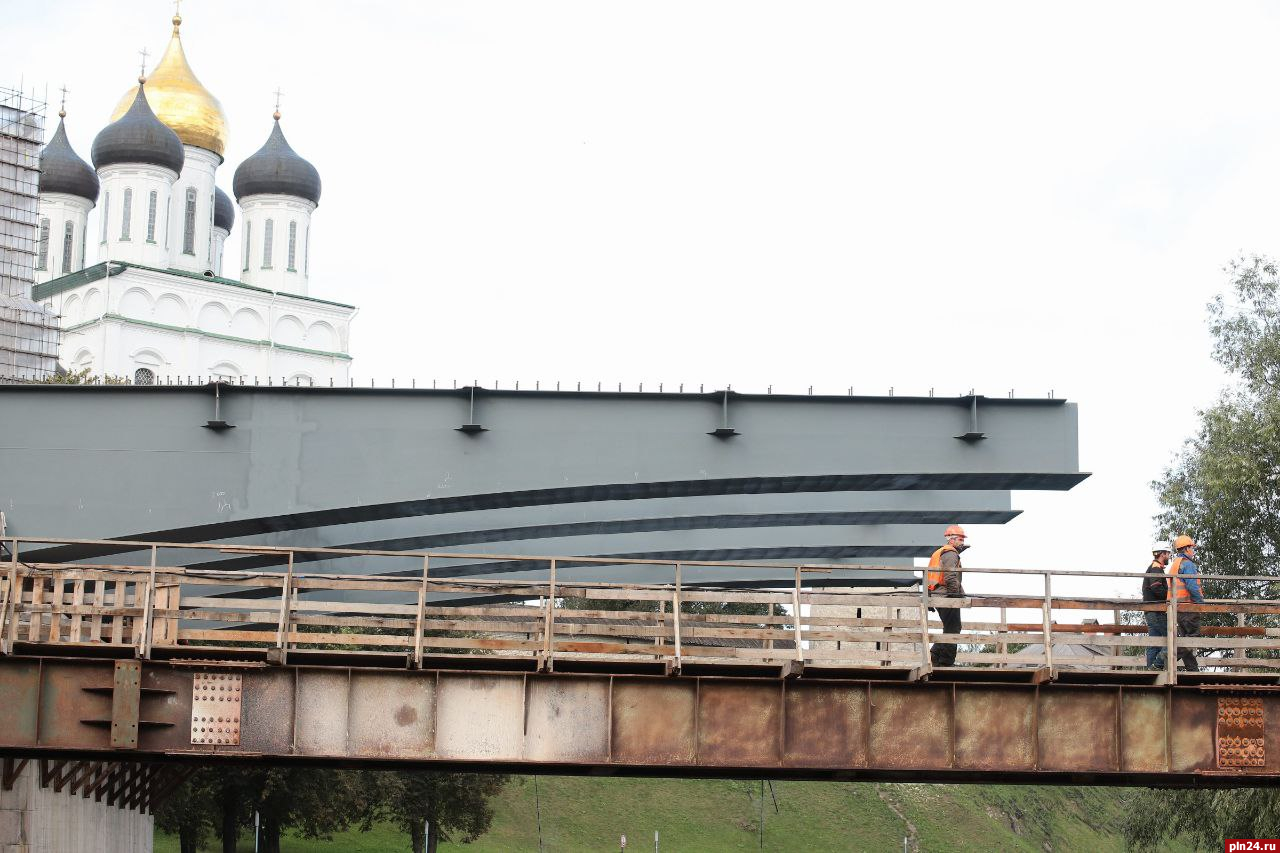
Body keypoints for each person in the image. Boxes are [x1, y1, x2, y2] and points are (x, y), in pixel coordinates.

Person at [1154, 534, 1204, 672]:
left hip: (1178, 608)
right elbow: (1192, 586)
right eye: (1192, 548)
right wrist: (1201, 603)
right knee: (1193, 638)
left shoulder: (1175, 564)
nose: (1193, 551)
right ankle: (1165, 656)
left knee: (1186, 640)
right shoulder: (1187, 564)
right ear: (1187, 549)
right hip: (1188, 607)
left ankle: (1193, 671)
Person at [925, 524, 967, 667]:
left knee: (950, 628)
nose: (962, 542)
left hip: (937, 595)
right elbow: (950, 578)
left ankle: (935, 657)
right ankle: (946, 662)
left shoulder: (940, 553)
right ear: (952, 540)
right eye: (960, 539)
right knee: (954, 628)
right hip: (946, 597)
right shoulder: (950, 554)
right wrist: (956, 597)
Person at [1142, 543, 1171, 668]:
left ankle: (1150, 670)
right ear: (1162, 553)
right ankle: (1157, 665)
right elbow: (1156, 588)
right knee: (1171, 639)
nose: (1169, 556)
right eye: (1168, 553)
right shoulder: (1156, 568)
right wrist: (1169, 597)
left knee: (1154, 642)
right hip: (1157, 611)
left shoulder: (1153, 567)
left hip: (1150, 611)